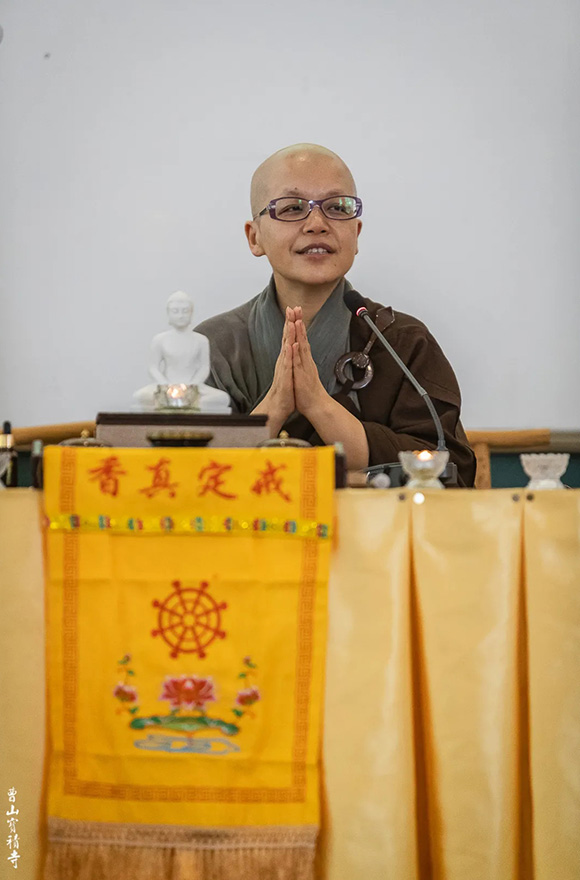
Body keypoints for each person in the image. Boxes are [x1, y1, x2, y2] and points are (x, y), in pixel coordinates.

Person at [196, 144, 476, 485]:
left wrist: (319, 406)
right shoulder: (211, 347)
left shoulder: (402, 342)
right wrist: (276, 404)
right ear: (255, 238)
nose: (317, 224)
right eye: (292, 207)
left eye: (337, 207)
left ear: (355, 234)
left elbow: (450, 472)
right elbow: (191, 478)